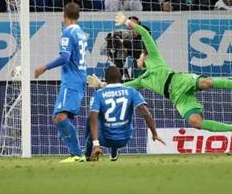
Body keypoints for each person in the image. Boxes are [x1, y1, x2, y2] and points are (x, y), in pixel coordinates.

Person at [88, 11, 232, 133]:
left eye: (138, 56)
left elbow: (144, 33)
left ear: (143, 55)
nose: (136, 60)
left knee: (206, 82)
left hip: (180, 80)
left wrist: (127, 22)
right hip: (177, 97)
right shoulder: (141, 80)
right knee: (196, 122)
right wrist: (100, 84)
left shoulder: (154, 57)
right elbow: (120, 87)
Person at [34, 2, 88, 163]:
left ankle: (77, 154)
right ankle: (77, 152)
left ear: (64, 16)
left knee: (60, 117)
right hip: (78, 78)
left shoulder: (68, 33)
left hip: (71, 80)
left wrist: (44, 67)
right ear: (77, 16)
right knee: (59, 117)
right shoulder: (81, 33)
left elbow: (65, 57)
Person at [86, 66, 165, 162]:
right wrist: (154, 133)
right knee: (116, 117)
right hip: (125, 139)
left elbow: (93, 118)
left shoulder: (98, 94)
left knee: (90, 118)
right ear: (121, 78)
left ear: (106, 79)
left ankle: (89, 155)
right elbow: (145, 112)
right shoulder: (131, 91)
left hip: (105, 139)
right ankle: (114, 153)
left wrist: (96, 144)